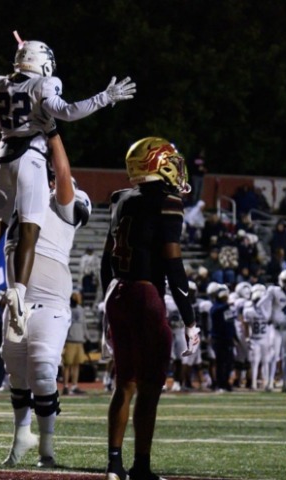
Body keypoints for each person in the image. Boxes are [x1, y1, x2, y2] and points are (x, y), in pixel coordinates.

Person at [0, 33, 135, 340]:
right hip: (31, 159)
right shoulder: (44, 85)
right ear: (42, 63)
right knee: (30, 228)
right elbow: (68, 112)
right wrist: (104, 97)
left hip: (1, 158)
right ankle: (18, 293)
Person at [100, 137, 200, 480]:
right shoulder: (168, 202)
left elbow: (106, 259)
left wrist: (107, 306)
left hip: (117, 293)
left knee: (124, 383)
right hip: (146, 296)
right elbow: (173, 263)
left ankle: (114, 465)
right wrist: (189, 319)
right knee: (150, 386)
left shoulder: (120, 199)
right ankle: (141, 465)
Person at [0, 133, 92, 468]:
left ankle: (47, 449)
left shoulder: (67, 201)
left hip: (50, 301)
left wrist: (53, 136)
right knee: (16, 375)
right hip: (16, 302)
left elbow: (64, 178)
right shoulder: (24, 202)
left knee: (42, 371)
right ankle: (21, 437)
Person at [259, 269, 286, 392]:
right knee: (274, 355)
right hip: (275, 327)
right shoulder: (274, 291)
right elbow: (261, 304)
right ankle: (269, 383)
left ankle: (285, 384)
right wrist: (267, 317)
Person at [209, 284, 238, 392]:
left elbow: (231, 323)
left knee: (229, 362)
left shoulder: (227, 308)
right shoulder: (216, 307)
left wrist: (235, 337)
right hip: (219, 338)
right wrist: (227, 305)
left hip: (228, 338)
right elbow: (214, 312)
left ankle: (225, 382)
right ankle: (220, 384)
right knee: (220, 362)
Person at [244, 283, 272, 391]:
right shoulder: (267, 310)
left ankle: (257, 384)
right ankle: (263, 383)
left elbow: (246, 325)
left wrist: (247, 338)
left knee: (257, 363)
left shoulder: (249, 310)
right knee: (262, 362)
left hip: (257, 338)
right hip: (260, 338)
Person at [62, 291, 88, 396]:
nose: (79, 298)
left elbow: (84, 324)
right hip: (69, 340)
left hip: (79, 340)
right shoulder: (67, 309)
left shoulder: (81, 309)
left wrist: (86, 337)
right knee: (67, 365)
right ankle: (65, 386)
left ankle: (74, 386)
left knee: (76, 365)